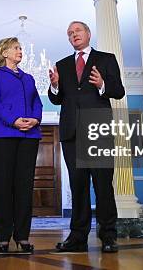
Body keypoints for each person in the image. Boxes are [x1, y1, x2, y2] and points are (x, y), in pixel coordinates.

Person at [48, 21, 125, 253]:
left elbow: (119, 90)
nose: (74, 35)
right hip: (72, 133)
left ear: (88, 34)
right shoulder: (62, 64)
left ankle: (108, 236)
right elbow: (57, 99)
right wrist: (54, 86)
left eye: (77, 31)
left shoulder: (106, 59)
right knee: (78, 186)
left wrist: (103, 84)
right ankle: (77, 237)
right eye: (70, 33)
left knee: (103, 186)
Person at [0, 37, 43, 253]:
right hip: (2, 134)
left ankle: (23, 236)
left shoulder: (29, 78)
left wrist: (36, 119)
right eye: (16, 48)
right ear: (4, 52)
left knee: (24, 186)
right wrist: (13, 120)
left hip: (29, 136)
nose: (21, 51)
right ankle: (2, 238)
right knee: (3, 186)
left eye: (20, 48)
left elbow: (37, 102)